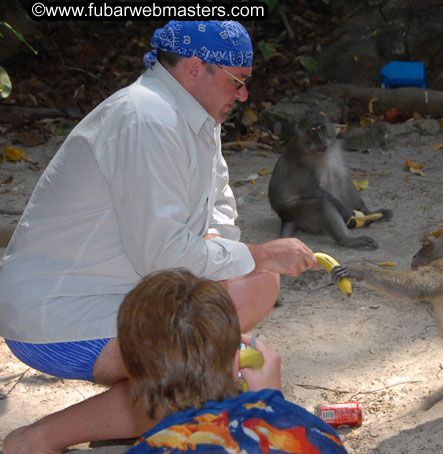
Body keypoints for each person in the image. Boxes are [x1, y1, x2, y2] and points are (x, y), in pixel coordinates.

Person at [0, 21, 317, 454]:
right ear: (193, 69)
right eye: (236, 81)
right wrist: (258, 252)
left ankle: (135, 419)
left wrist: (236, 254)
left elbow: (218, 207)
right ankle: (35, 440)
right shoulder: (146, 118)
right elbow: (162, 254)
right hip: (59, 316)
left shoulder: (193, 114)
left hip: (119, 289)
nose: (244, 95)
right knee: (211, 366)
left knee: (256, 284)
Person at [118, 268, 347, 454]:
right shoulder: (314, 433)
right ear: (238, 359)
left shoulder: (150, 448)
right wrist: (273, 406)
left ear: (132, 371)